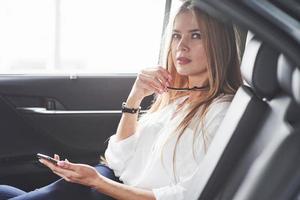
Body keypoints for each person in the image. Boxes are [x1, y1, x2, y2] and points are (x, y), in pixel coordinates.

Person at [0, 1, 242, 199]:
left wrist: (97, 182)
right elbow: (118, 158)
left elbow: (186, 195)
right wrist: (135, 95)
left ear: (219, 44)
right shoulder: (176, 99)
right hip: (109, 183)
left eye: (196, 35)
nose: (181, 46)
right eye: (177, 35)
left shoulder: (220, 112)